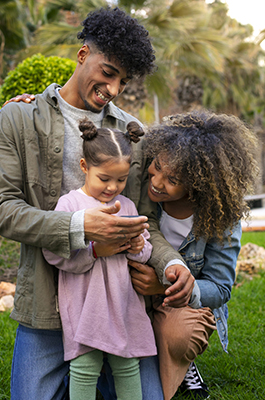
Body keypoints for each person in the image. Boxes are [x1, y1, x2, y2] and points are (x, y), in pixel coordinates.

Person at [0, 6, 195, 400]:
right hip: (46, 305)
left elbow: (145, 220)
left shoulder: (132, 133)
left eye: (123, 81)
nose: (113, 89)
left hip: (115, 303)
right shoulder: (18, 118)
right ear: (83, 56)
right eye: (109, 72)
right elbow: (0, 208)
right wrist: (80, 228)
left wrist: (171, 263)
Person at [142, 110, 258, 399]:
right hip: (133, 291)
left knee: (180, 336)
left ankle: (182, 361)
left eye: (173, 180)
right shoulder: (140, 188)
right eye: (156, 166)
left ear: (198, 183)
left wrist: (167, 286)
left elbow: (220, 286)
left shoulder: (221, 217)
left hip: (178, 300)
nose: (157, 182)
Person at [42, 119, 157, 400]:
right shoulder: (70, 205)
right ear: (84, 167)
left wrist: (138, 246)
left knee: (127, 362)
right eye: (104, 178)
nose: (112, 187)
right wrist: (94, 250)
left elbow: (144, 253)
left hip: (121, 300)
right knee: (84, 364)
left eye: (121, 179)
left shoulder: (127, 206)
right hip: (85, 300)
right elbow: (54, 252)